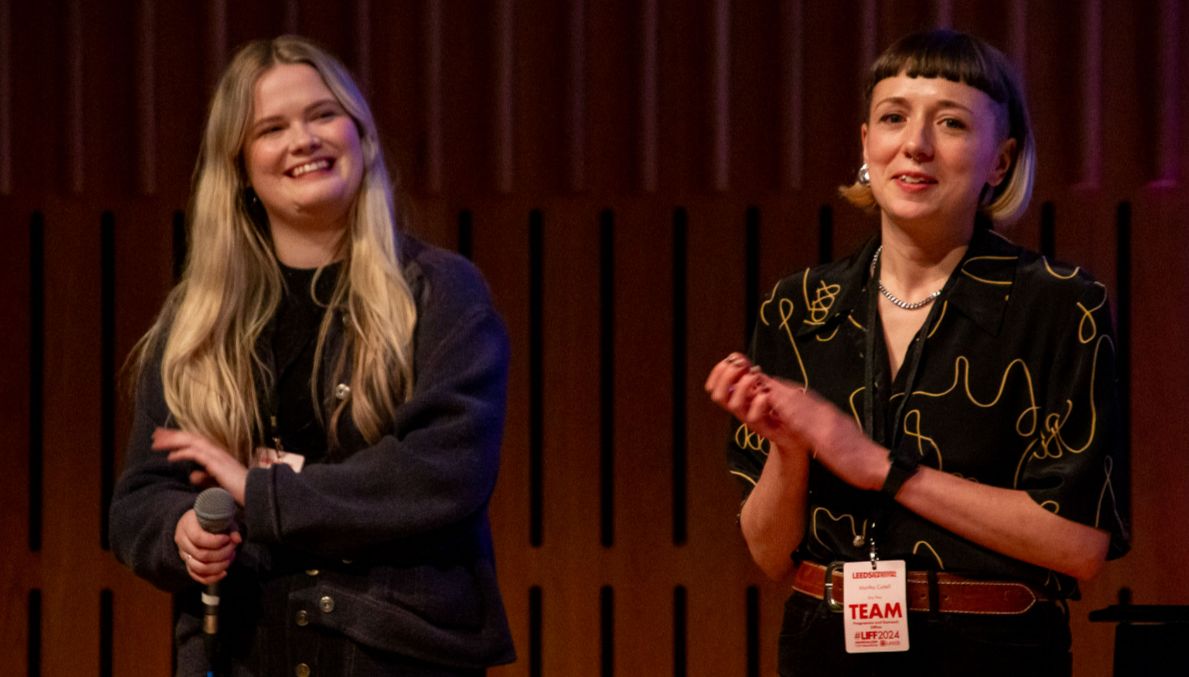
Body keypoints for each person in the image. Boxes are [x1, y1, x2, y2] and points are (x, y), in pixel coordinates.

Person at [705, 29, 1128, 676]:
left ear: (1000, 160)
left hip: (992, 649)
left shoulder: (1058, 305)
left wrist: (877, 466)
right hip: (823, 644)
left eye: (951, 122)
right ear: (865, 146)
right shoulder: (797, 307)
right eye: (893, 117)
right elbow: (769, 554)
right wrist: (789, 450)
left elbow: (1077, 544)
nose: (915, 144)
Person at [108, 35, 515, 676]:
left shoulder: (440, 292)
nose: (304, 139)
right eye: (271, 127)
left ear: (362, 136)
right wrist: (180, 531)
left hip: (397, 655)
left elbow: (444, 470)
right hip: (240, 649)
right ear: (240, 165)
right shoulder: (196, 323)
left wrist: (259, 492)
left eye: (323, 115)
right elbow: (138, 502)